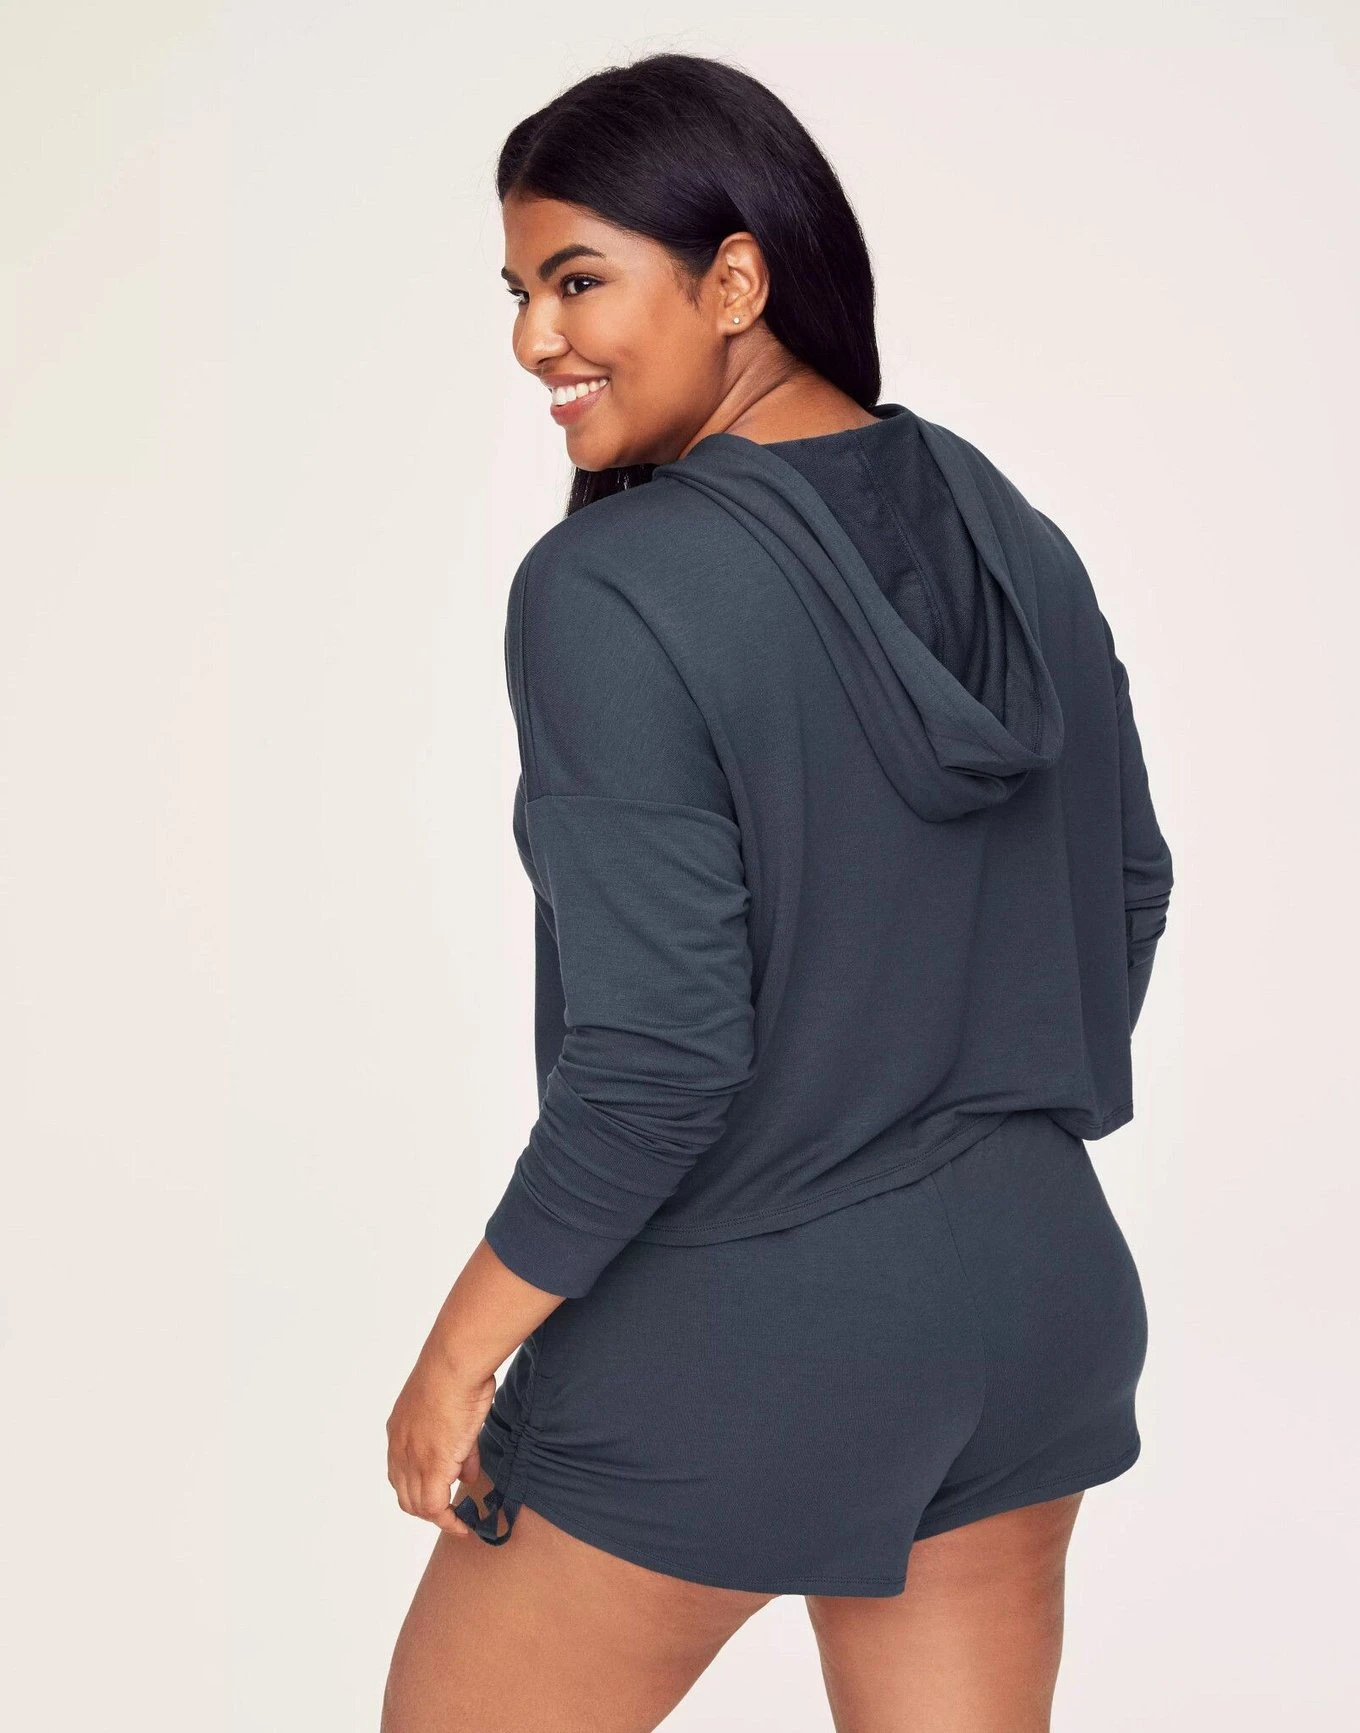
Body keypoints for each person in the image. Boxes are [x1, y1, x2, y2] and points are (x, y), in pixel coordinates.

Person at [382, 50, 1174, 1733]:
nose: (535, 340)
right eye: (520, 293)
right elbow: (1127, 889)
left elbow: (655, 1061)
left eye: (579, 281)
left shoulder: (612, 586)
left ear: (736, 280)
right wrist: (961, 1109)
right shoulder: (1013, 534)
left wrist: (457, 1354)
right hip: (1041, 1296)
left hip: (747, 1336)